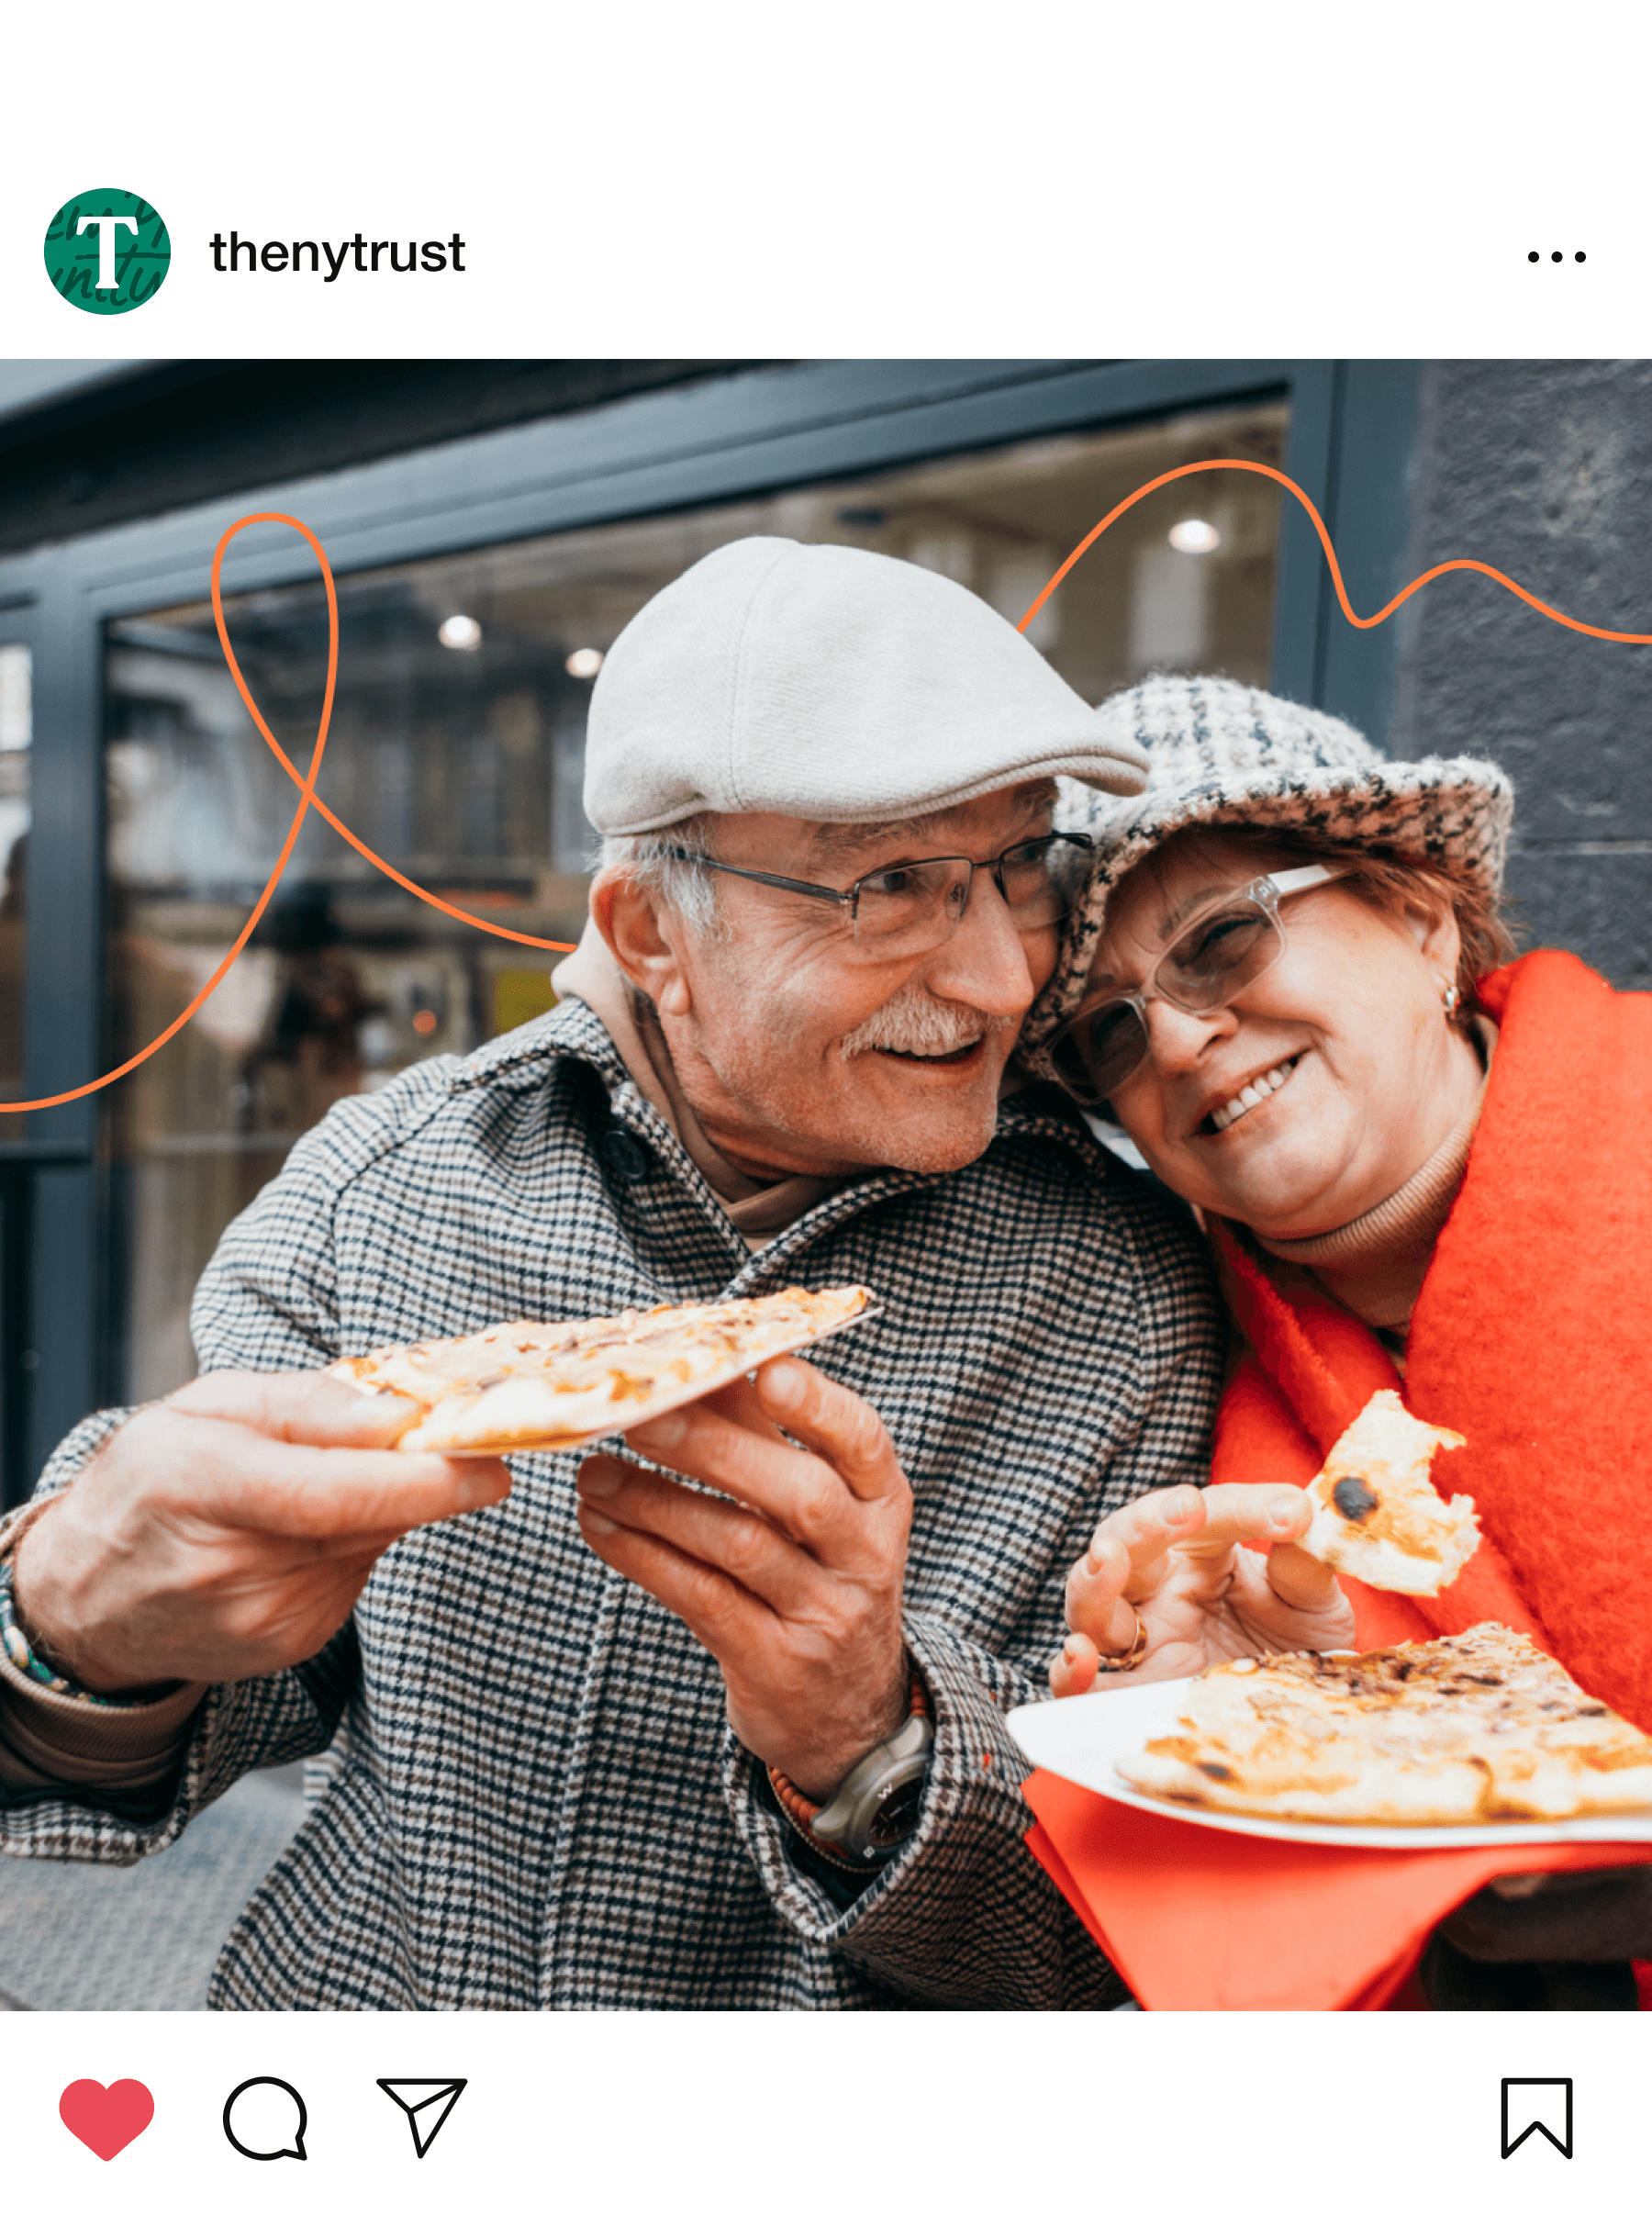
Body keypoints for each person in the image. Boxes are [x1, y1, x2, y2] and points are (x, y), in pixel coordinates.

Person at [0, 539, 1224, 2011]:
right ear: (652, 930)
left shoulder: (1134, 1295)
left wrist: (876, 1741)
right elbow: (218, 1687)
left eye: (1024, 864)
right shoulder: (387, 1185)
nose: (1003, 977)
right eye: (891, 885)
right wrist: (70, 1626)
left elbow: (1125, 1932)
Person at [1034, 673, 1652, 2008]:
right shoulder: (1210, 1430)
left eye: (1222, 941)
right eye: (1114, 1030)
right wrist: (1261, 1755)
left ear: (1422, 914)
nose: (1183, 1038)